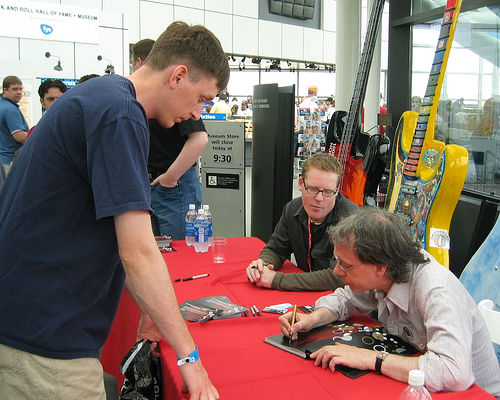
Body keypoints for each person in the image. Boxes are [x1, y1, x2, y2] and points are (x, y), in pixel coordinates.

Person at [0, 21, 229, 400]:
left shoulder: (104, 99)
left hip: (35, 325)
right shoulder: (120, 114)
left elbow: (109, 234)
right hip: (44, 340)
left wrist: (152, 309)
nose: (196, 113)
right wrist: (191, 359)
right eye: (202, 98)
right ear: (178, 76)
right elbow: (138, 251)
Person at [279, 208, 500, 398]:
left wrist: (371, 359)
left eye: (345, 265)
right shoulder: (387, 269)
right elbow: (346, 299)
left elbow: (453, 373)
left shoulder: (436, 291)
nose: (337, 271)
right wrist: (313, 318)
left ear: (380, 267)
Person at [131, 38, 209, 240]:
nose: (195, 111)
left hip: (173, 184)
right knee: (160, 247)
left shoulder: (178, 98)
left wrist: (170, 177)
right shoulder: (137, 101)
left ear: (139, 62)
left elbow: (200, 139)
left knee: (180, 248)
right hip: (152, 182)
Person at [246, 153, 358, 291]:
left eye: (328, 191)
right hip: (306, 294)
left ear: (337, 190)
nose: (319, 198)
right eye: (313, 189)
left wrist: (276, 279)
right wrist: (262, 266)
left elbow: (338, 277)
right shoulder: (292, 209)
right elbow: (276, 250)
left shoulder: (351, 220)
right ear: (300, 183)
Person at [0, 75, 29, 173]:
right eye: (15, 89)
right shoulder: (11, 110)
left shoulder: (2, 105)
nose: (19, 92)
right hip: (9, 161)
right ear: (5, 90)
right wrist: (38, 138)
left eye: (21, 89)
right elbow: (19, 136)